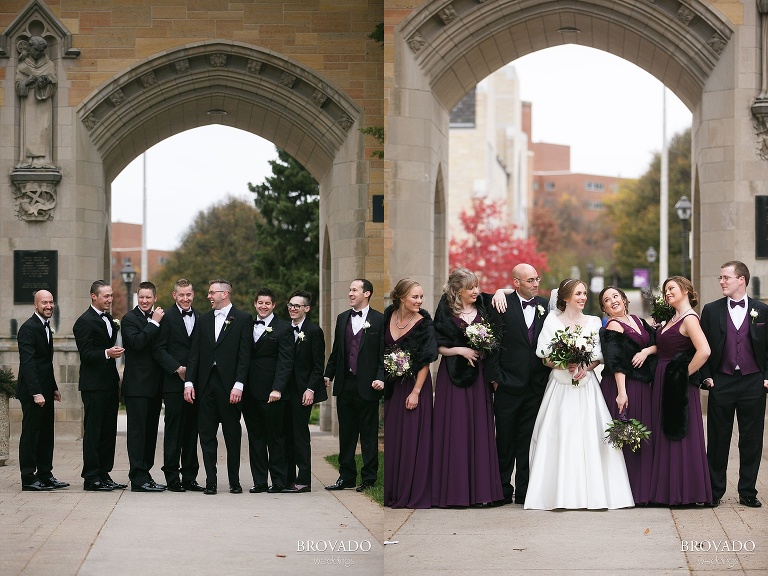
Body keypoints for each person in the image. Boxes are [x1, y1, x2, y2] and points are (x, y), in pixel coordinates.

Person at [525, 278, 634, 510]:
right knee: (559, 435)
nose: (583, 298)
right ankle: (558, 494)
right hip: (560, 388)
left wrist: (585, 367)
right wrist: (564, 364)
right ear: (565, 298)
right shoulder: (552, 320)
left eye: (584, 293)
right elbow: (544, 355)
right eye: (578, 294)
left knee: (590, 437)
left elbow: (599, 354)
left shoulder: (594, 321)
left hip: (587, 386)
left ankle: (594, 494)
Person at [432, 268, 503, 507]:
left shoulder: (484, 305)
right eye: (470, 288)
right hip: (452, 377)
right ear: (457, 290)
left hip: (479, 376)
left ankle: (482, 492)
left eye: (477, 286)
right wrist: (460, 350)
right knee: (455, 429)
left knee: (479, 429)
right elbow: (436, 346)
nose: (476, 291)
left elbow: (507, 297)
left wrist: (501, 291)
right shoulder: (445, 311)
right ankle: (455, 493)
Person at [700, 261, 768, 508]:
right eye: (720, 277)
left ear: (742, 280)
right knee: (718, 439)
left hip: (754, 382)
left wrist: (766, 377)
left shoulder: (762, 310)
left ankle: (748, 491)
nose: (721, 281)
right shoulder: (711, 310)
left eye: (726, 277)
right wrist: (706, 377)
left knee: (751, 439)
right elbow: (702, 346)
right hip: (722, 381)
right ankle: (715, 491)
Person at [486, 263, 550, 505]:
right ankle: (502, 489)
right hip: (506, 384)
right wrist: (495, 380)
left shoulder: (544, 306)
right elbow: (492, 345)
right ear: (516, 283)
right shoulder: (500, 304)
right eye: (530, 280)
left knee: (527, 440)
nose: (535, 284)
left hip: (535, 386)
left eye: (537, 279)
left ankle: (524, 491)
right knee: (504, 439)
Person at [184, 279, 252, 495]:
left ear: (225, 294)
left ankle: (234, 481)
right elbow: (194, 354)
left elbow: (245, 355)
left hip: (231, 386)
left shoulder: (243, 319)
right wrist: (189, 382)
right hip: (206, 386)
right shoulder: (203, 320)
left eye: (212, 292)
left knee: (233, 434)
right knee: (206, 435)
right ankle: (211, 480)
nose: (208, 296)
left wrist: (239, 384)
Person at [648, 276, 711, 506]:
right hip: (663, 379)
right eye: (665, 290)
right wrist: (647, 351)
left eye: (671, 288)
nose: (667, 293)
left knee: (682, 435)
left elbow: (704, 351)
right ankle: (667, 491)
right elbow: (664, 346)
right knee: (665, 432)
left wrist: (683, 376)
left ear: (685, 290)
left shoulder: (690, 318)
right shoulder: (672, 318)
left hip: (678, 383)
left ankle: (686, 492)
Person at [324, 279, 386, 492]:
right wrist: (328, 374)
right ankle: (346, 476)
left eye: (354, 290)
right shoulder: (342, 319)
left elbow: (383, 354)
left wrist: (381, 377)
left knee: (368, 435)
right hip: (345, 385)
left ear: (366, 293)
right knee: (347, 434)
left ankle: (369, 478)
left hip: (368, 386)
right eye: (350, 290)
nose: (350, 293)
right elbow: (337, 350)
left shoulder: (379, 320)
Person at [598, 286, 657, 504]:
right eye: (607, 300)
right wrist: (622, 393)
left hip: (642, 387)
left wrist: (646, 351)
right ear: (604, 308)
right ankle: (628, 493)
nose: (613, 301)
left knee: (642, 437)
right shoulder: (613, 325)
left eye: (615, 296)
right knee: (627, 437)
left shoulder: (638, 321)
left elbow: (657, 344)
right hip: (623, 386)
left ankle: (643, 491)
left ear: (623, 298)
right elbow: (616, 361)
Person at [383, 279, 438, 509]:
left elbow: (426, 361)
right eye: (415, 297)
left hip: (415, 387)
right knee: (395, 439)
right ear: (401, 297)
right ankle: (394, 491)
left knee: (413, 439)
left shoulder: (425, 323)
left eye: (421, 297)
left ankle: (414, 491)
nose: (419, 301)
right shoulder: (388, 316)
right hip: (393, 387)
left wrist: (416, 392)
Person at [73, 280, 126, 491]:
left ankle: (104, 474)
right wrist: (107, 353)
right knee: (94, 432)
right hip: (93, 386)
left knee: (108, 432)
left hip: (110, 384)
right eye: (106, 296)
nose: (110, 299)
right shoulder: (83, 322)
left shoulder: (109, 320)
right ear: (93, 296)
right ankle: (91, 477)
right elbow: (85, 354)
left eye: (111, 295)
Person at [153, 279, 204, 492]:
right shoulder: (166, 318)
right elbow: (158, 349)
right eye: (181, 295)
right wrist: (177, 368)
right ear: (174, 295)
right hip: (174, 383)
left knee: (192, 431)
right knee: (174, 430)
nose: (185, 298)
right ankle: (172, 476)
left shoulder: (201, 317)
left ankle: (190, 476)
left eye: (188, 295)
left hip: (197, 384)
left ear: (193, 295)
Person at [17, 289, 69, 491]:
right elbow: (28, 364)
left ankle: (45, 474)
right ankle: (28, 478)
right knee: (31, 434)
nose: (49, 306)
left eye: (51, 302)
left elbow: (45, 362)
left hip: (46, 390)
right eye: (44, 303)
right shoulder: (28, 328)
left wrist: (53, 387)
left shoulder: (46, 326)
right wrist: (36, 392)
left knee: (46, 434)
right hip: (33, 392)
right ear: (35, 305)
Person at [242, 288, 293, 494]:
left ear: (273, 305)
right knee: (255, 438)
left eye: (267, 303)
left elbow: (286, 362)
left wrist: (278, 388)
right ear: (255, 303)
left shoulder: (283, 329)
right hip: (249, 393)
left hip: (272, 394)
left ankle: (279, 481)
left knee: (275, 437)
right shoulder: (246, 326)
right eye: (260, 303)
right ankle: (260, 481)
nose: (263, 306)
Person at [121, 281, 166, 492]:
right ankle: (137, 478)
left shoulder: (160, 318)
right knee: (137, 434)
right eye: (141, 297)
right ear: (137, 298)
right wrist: (154, 323)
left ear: (155, 298)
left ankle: (146, 474)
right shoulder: (129, 319)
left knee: (150, 433)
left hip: (155, 387)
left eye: (148, 297)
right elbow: (138, 343)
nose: (145, 301)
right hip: (137, 388)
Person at [282, 290, 327, 493]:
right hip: (284, 392)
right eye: (290, 305)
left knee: (300, 435)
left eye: (297, 306)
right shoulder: (283, 330)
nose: (292, 309)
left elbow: (318, 365)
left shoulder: (313, 331)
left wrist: (310, 389)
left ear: (306, 309)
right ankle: (287, 478)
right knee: (286, 435)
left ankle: (304, 480)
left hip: (303, 392)